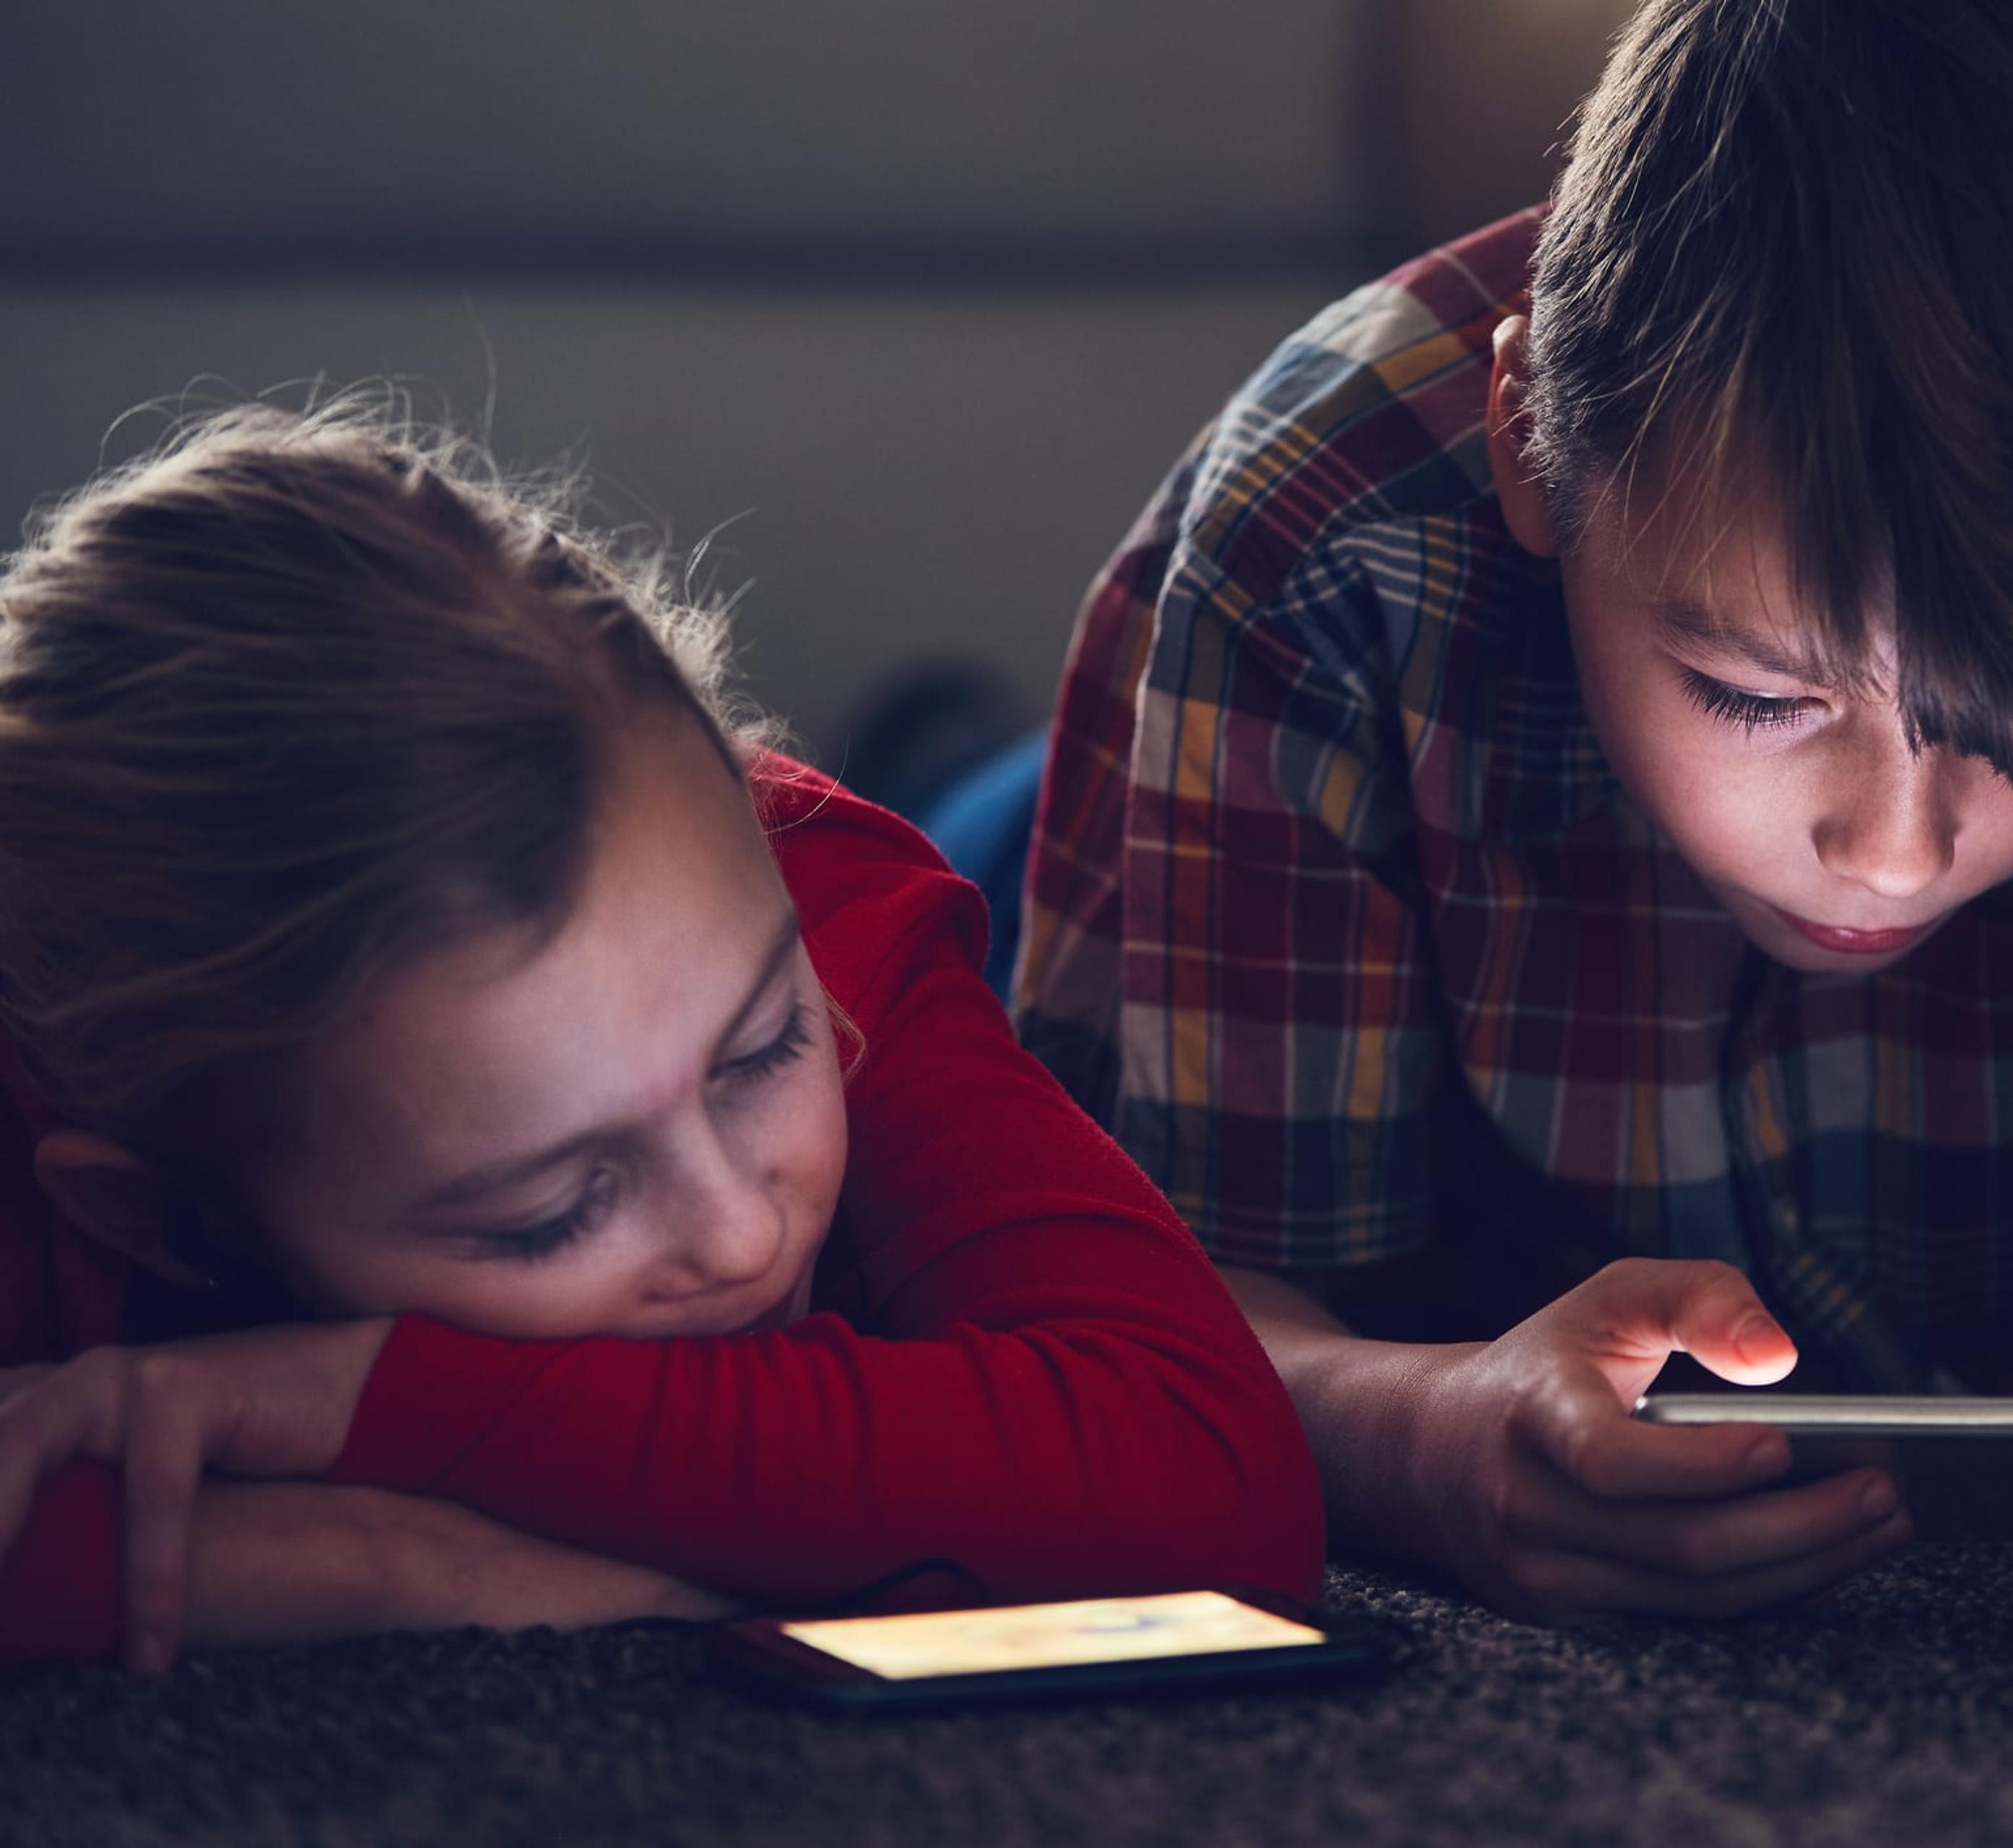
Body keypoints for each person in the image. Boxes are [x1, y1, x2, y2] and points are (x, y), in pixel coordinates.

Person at [1014, 0, 2013, 1629]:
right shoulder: (1320, 544)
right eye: (1755, 697)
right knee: (927, 935)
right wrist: (1423, 1446)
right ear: (1533, 441)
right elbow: (1151, 1312)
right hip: (1144, 813)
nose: (1892, 853)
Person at [0, 402, 1322, 1671]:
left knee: (1010, 798)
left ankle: (935, 738)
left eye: (760, 1057)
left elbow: (1209, 1479)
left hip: (936, 819)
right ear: (160, 1219)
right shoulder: (62, 1124)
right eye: (551, 1210)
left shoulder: (813, 899)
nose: (743, 1236)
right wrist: (380, 1564)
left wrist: (386, 1403)